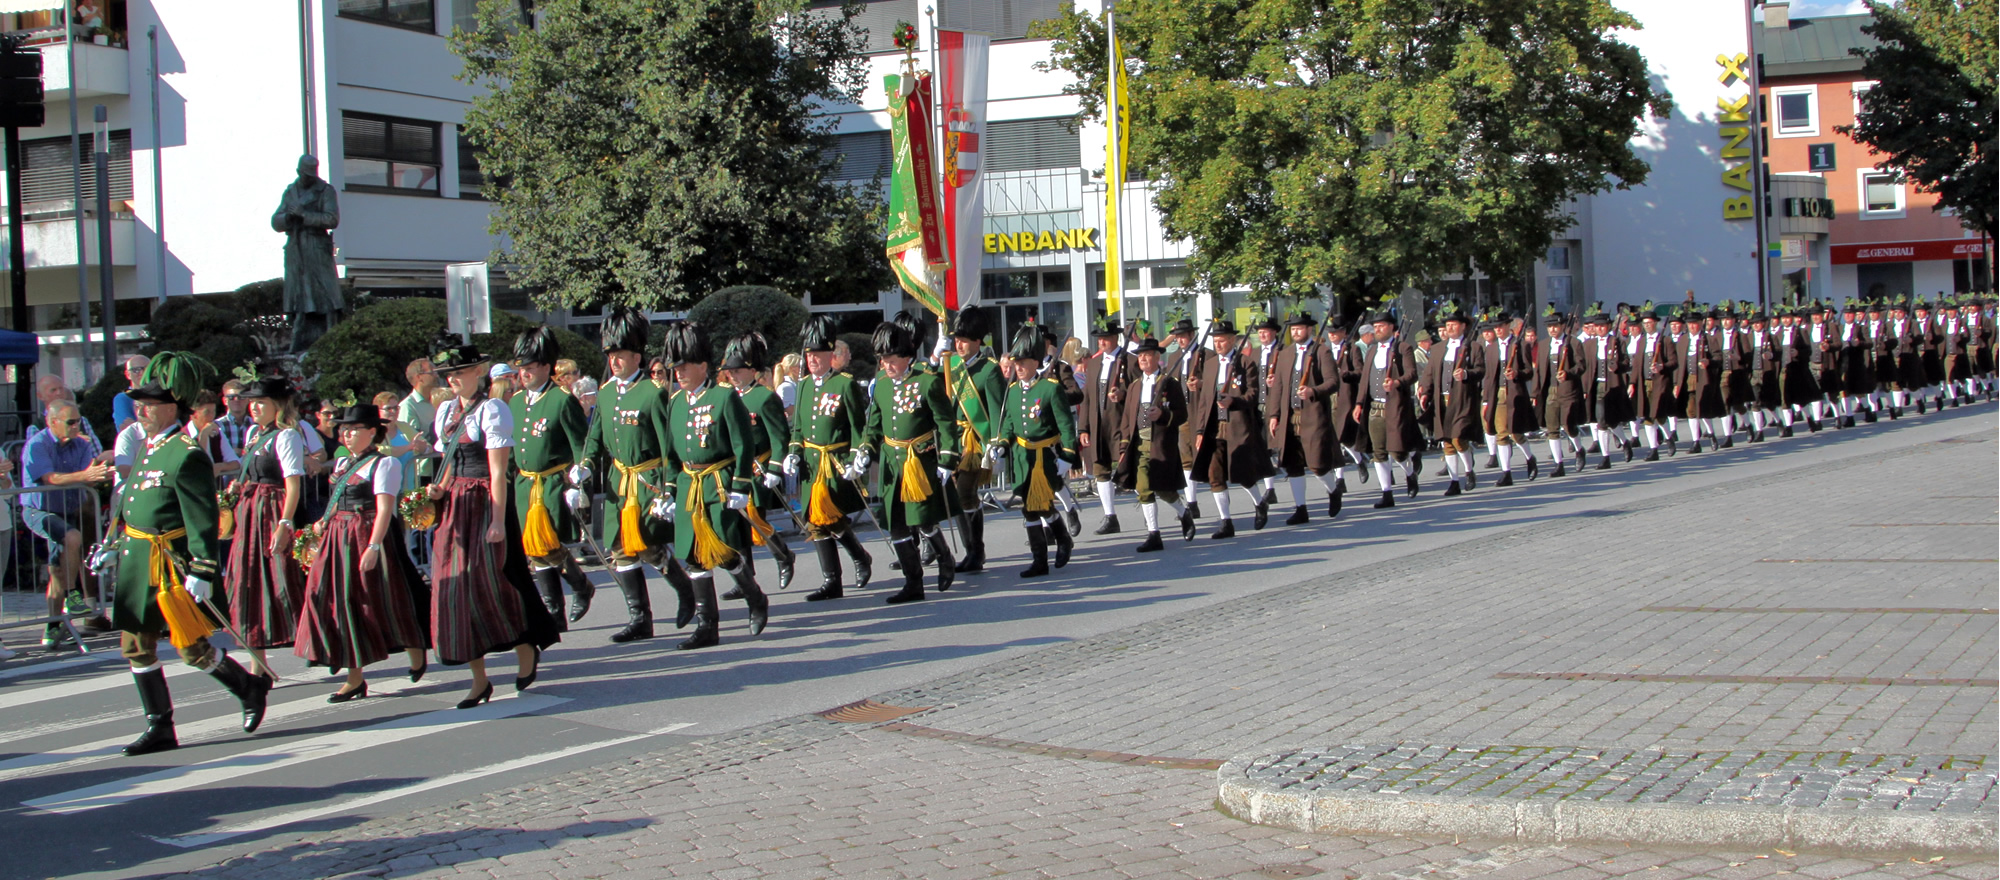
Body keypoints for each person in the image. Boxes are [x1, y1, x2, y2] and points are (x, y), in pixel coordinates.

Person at [111, 351, 272, 756]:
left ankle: (248, 687)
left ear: (172, 407)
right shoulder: (148, 446)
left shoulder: (186, 453)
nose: (142, 410)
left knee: (191, 648)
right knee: (135, 644)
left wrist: (202, 568)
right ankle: (160, 725)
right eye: (140, 403)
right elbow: (132, 499)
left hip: (169, 565)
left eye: (150, 404)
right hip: (138, 560)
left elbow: (201, 517)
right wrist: (114, 542)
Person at [427, 335, 558, 707]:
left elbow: (499, 472)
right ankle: (479, 679)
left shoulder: (493, 410)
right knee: (456, 590)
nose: (452, 378)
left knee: (499, 581)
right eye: (448, 373)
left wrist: (498, 520)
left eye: (459, 371)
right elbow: (447, 464)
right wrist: (438, 491)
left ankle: (525, 645)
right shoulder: (444, 412)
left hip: (486, 502)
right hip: (455, 507)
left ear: (479, 371)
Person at [574, 307, 697, 642]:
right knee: (619, 549)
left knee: (649, 546)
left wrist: (668, 488)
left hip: (646, 481)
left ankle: (686, 590)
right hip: (619, 482)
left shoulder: (652, 393)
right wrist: (583, 465)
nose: (614, 361)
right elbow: (595, 435)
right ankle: (640, 618)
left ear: (637, 356)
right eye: (611, 355)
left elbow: (667, 446)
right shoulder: (605, 392)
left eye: (621, 355)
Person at [294, 405, 430, 701]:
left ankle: (415, 646)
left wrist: (373, 546)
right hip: (338, 536)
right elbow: (337, 499)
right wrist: (323, 521)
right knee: (339, 600)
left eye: (353, 428)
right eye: (343, 428)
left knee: (386, 597)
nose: (346, 433)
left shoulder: (385, 465)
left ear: (372, 432)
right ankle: (353, 677)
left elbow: (384, 510)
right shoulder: (342, 463)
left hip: (367, 534)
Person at [658, 320, 767, 649]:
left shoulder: (723, 397)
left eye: (685, 365)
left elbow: (742, 445)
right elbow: (670, 453)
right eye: (675, 366)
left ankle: (754, 596)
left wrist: (741, 486)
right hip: (689, 483)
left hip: (718, 483)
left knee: (725, 551)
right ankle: (707, 625)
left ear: (702, 365)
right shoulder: (676, 402)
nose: (679, 371)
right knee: (693, 555)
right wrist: (668, 492)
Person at [857, 313, 960, 603]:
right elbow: (873, 424)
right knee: (897, 525)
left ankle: (944, 557)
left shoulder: (927, 382)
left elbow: (945, 422)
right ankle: (913, 583)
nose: (886, 365)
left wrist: (947, 459)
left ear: (906, 356)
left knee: (924, 520)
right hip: (892, 463)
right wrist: (866, 450)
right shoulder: (881, 383)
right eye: (882, 359)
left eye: (891, 359)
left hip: (920, 460)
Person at [509, 327, 600, 630]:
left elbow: (581, 445)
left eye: (531, 367)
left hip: (551, 482)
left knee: (547, 545)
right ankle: (567, 598)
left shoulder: (562, 400)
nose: (524, 373)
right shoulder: (517, 402)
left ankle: (560, 603)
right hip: (525, 484)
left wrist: (578, 480)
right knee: (534, 549)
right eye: (521, 367)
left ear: (546, 367)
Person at [221, 377, 309, 681]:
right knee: (248, 585)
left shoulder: (286, 437)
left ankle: (318, 641)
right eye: (252, 401)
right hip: (249, 512)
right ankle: (258, 666)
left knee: (284, 581)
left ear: (277, 406)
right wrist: (239, 486)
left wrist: (285, 523)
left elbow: (293, 484)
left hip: (271, 511)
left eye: (261, 402)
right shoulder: (252, 434)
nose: (254, 407)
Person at [786, 315, 874, 602]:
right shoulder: (803, 386)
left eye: (818, 354)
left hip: (834, 462)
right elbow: (798, 427)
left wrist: (855, 457)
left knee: (833, 517)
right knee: (815, 521)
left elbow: (857, 427)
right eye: (809, 354)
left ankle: (860, 557)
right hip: (813, 464)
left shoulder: (844, 384)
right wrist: (794, 452)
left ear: (830, 355)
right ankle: (832, 581)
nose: (812, 359)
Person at [22, 399, 110, 651]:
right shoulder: (37, 444)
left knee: (58, 570)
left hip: (66, 509)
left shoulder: (81, 445)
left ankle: (53, 625)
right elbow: (51, 478)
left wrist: (99, 474)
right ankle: (73, 595)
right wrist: (85, 476)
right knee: (72, 537)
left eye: (78, 421)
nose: (76, 426)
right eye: (70, 422)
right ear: (52, 422)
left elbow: (88, 481)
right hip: (39, 510)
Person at [995, 325, 1080, 578]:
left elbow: (1066, 425)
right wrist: (1001, 445)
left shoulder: (1050, 388)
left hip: (1045, 456)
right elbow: (1010, 425)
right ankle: (1040, 559)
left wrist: (1067, 456)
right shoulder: (1012, 391)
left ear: (1035, 362)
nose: (1017, 368)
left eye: (1022, 363)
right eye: (1015, 362)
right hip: (1022, 457)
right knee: (1028, 508)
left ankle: (1062, 540)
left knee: (1041, 505)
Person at [718, 332, 797, 594]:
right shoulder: (726, 397)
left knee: (755, 520)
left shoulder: (764, 397)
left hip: (757, 468)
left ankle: (783, 556)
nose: (733, 375)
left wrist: (775, 467)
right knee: (736, 526)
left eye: (738, 370)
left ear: (752, 370)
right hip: (732, 470)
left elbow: (778, 437)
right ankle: (746, 577)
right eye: (730, 371)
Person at [1187, 320, 1272, 537]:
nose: (1218, 344)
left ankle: (1259, 502)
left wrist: (1233, 401)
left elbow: (1253, 394)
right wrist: (1199, 431)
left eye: (1222, 340)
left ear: (1232, 340)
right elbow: (1205, 401)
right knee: (1214, 474)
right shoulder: (1211, 365)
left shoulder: (1245, 363)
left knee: (1242, 472)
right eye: (1215, 341)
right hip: (1214, 426)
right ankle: (1226, 521)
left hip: (1237, 425)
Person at [1112, 337, 1192, 552]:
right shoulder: (1135, 386)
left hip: (1160, 443)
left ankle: (1184, 514)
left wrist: (1163, 414)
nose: (1143, 359)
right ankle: (1154, 534)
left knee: (1164, 490)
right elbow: (1127, 419)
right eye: (1140, 355)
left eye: (1148, 355)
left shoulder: (1169, 383)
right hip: (1139, 444)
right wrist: (1123, 446)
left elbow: (1182, 414)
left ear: (1158, 357)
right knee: (1143, 489)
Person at [941, 306, 1006, 570]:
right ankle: (971, 552)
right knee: (958, 498)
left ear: (977, 341)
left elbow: (996, 409)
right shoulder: (950, 364)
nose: (959, 344)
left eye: (964, 340)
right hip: (953, 440)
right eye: (956, 339)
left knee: (964, 493)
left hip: (975, 440)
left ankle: (976, 552)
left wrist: (995, 444)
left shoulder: (988, 370)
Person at [1268, 312, 1345, 524]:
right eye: (1293, 329)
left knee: (1317, 463)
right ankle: (1301, 508)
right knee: (1292, 464)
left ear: (1309, 329)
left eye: (1299, 329)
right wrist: (1274, 415)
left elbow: (1333, 382)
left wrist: (1314, 391)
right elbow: (1278, 389)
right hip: (1290, 416)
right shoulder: (1285, 354)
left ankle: (1333, 490)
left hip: (1313, 416)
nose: (1295, 332)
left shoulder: (1322, 351)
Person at [1349, 309, 1423, 508]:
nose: (1378, 330)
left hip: (1395, 406)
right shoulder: (1372, 349)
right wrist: (1358, 403)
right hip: (1375, 406)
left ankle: (1410, 474)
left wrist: (1397, 383)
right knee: (1379, 452)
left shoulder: (1403, 348)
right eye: (1375, 327)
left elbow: (1412, 374)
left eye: (1381, 326)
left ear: (1391, 327)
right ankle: (1386, 493)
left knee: (1397, 450)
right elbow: (1365, 379)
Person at [1077, 315, 1136, 534]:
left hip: (1121, 424)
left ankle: (1165, 512)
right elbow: (1087, 397)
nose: (1101, 342)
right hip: (1098, 425)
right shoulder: (1093, 363)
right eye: (1099, 339)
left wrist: (1123, 393)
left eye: (1105, 338)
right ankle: (1110, 516)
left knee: (1132, 469)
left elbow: (1139, 392)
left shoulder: (1130, 360)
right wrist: (1083, 427)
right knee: (1101, 470)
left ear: (1115, 338)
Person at [1420, 304, 1485, 495]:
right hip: (1442, 400)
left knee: (1458, 437)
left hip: (1463, 399)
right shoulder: (1438, 348)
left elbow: (1481, 370)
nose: (1450, 328)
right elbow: (1429, 374)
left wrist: (1466, 374)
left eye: (1453, 324)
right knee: (1446, 442)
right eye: (1447, 325)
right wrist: (1425, 392)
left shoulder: (1473, 347)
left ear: (1463, 326)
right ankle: (1454, 481)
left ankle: (1469, 470)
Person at [398, 357, 439, 441]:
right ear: (419, 377)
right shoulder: (408, 406)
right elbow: (410, 440)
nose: (437, 375)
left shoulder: (439, 400)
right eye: (432, 372)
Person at [110, 354, 149, 434]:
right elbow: (129, 431)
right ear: (128, 374)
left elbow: (174, 426)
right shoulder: (123, 399)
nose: (141, 373)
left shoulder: (162, 396)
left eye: (146, 369)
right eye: (136, 370)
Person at [215, 379, 252, 460]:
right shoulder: (217, 426)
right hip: (225, 471)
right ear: (225, 401)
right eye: (231, 397)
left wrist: (240, 451)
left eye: (241, 397)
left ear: (248, 399)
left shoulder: (256, 425)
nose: (236, 400)